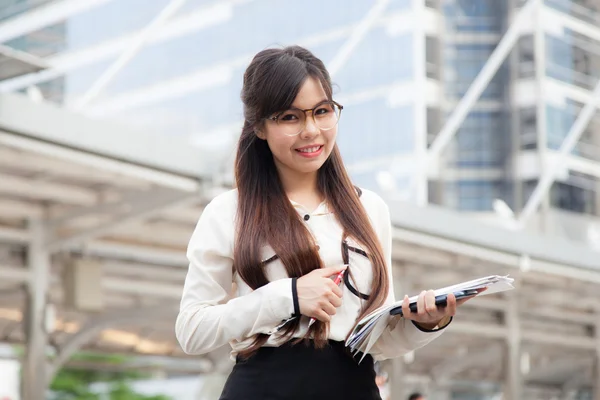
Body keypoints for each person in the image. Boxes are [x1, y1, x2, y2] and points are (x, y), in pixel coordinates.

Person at [175, 45, 474, 400]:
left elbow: (377, 340)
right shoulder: (229, 210)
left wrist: (426, 324)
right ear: (259, 127)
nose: (311, 130)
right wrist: (287, 297)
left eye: (321, 111)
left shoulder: (370, 209)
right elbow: (192, 330)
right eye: (290, 117)